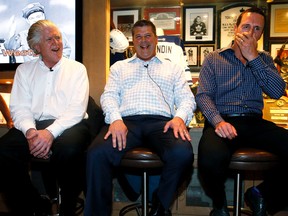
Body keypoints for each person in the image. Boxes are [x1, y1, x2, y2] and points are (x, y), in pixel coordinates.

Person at [84, 19, 196, 216]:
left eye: (148, 36)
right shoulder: (119, 67)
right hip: (126, 122)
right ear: (133, 42)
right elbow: (108, 96)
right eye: (138, 37)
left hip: (162, 123)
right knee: (96, 154)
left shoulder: (173, 68)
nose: (143, 41)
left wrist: (179, 117)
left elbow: (187, 98)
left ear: (156, 39)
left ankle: (159, 206)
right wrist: (116, 119)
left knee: (182, 153)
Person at [195, 7, 288, 216]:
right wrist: (218, 122)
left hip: (255, 122)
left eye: (256, 29)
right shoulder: (214, 58)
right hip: (223, 120)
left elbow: (276, 91)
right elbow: (203, 96)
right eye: (245, 26)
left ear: (261, 35)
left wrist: (253, 58)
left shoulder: (264, 60)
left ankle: (259, 193)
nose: (249, 32)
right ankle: (219, 206)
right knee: (209, 159)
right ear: (235, 28)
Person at [0, 20, 89, 216]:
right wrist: (31, 132)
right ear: (35, 48)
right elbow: (20, 108)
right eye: (49, 39)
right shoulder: (24, 71)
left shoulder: (77, 69)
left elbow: (76, 110)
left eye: (58, 37)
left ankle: (67, 209)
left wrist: (49, 133)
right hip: (33, 125)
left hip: (69, 125)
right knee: (3, 151)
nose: (57, 42)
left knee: (70, 151)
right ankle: (34, 204)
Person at [4, 2, 71, 62]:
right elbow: (10, 47)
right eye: (32, 18)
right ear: (28, 21)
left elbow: (66, 49)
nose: (35, 20)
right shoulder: (23, 35)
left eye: (38, 16)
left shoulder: (56, 32)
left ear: (43, 16)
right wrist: (11, 31)